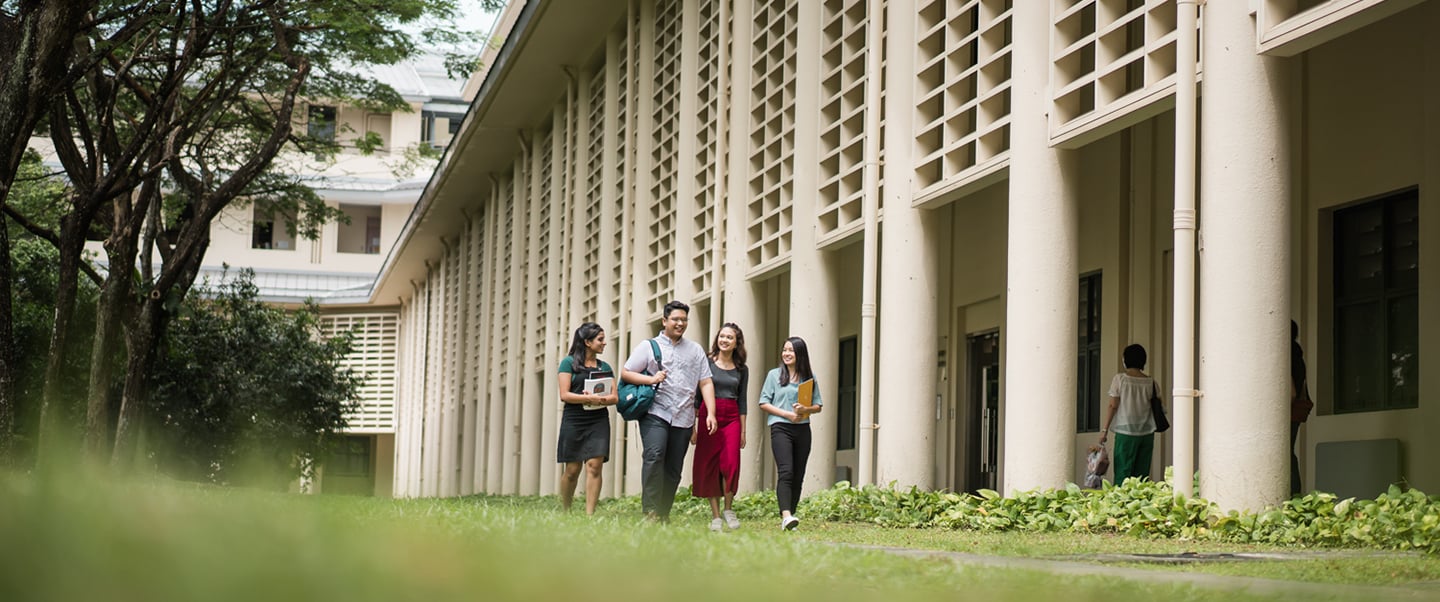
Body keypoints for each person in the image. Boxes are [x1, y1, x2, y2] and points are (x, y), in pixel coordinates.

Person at [621, 301, 717, 523]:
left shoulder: (695, 350)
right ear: (664, 321)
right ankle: (650, 512)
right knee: (654, 456)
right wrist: (651, 379)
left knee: (673, 468)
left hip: (683, 416)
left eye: (684, 320)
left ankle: (663, 513)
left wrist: (709, 413)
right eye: (675, 319)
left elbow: (706, 383)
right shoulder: (649, 346)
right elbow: (627, 373)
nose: (680, 323)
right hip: (656, 411)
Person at [758, 336, 822, 531]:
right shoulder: (774, 375)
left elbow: (818, 406)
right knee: (786, 471)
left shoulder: (809, 378)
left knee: (798, 474)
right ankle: (785, 515)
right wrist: (787, 414)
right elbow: (763, 402)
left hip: (802, 429)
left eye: (791, 351)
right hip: (780, 427)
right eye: (784, 350)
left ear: (800, 354)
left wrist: (805, 409)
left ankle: (790, 517)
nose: (786, 354)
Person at [691, 322, 749, 532]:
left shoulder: (742, 369)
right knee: (710, 465)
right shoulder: (706, 363)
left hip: (732, 416)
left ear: (736, 343)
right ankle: (715, 516)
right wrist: (693, 426)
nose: (724, 340)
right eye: (722, 336)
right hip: (708, 414)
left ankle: (728, 509)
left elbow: (742, 400)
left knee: (731, 463)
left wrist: (743, 430)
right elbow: (697, 398)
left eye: (729, 337)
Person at [555, 322, 617, 515]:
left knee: (595, 466)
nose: (604, 343)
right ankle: (566, 509)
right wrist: (587, 398)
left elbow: (615, 397)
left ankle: (590, 515)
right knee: (572, 470)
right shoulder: (568, 363)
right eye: (600, 339)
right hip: (574, 419)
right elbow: (564, 395)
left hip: (598, 419)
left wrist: (601, 400)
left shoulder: (605, 366)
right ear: (587, 342)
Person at [1099, 344, 1157, 483]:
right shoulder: (1151, 383)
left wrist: (1104, 430)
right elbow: (1158, 405)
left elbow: (1113, 405)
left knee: (1123, 473)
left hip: (1125, 433)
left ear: (1126, 360)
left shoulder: (1120, 379)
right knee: (1142, 476)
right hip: (1146, 433)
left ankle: (1122, 503)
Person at [1290, 320, 1313, 497]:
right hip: (1294, 412)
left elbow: (1290, 389)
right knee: (1289, 452)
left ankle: (1292, 493)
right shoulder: (1297, 353)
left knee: (1285, 454)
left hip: (1287, 411)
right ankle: (1295, 495)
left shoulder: (1287, 352)